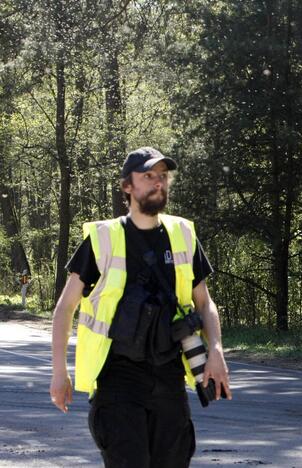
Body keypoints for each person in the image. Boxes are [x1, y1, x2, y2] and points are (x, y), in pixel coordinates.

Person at [50, 147, 232, 467]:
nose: (157, 182)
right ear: (127, 186)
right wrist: (59, 372)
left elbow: (204, 302)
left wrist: (216, 349)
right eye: (148, 176)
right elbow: (65, 308)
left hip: (169, 379)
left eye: (162, 176)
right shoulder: (103, 238)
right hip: (118, 380)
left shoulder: (183, 235)